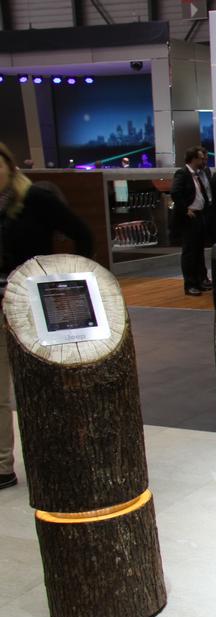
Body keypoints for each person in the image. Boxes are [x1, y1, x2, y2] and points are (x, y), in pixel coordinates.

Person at [0, 142, 94, 490]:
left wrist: (67, 283)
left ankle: (60, 458)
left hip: (33, 307)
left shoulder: (35, 199)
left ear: (10, 166)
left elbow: (82, 234)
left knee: (45, 387)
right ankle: (3, 465)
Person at [171, 146, 214, 296]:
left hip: (200, 215)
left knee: (198, 250)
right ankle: (189, 284)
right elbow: (175, 192)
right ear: (193, 159)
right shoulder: (182, 173)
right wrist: (185, 209)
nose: (203, 161)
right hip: (189, 218)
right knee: (189, 252)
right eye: (201, 158)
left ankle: (199, 281)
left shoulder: (198, 174)